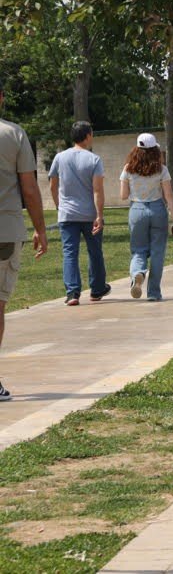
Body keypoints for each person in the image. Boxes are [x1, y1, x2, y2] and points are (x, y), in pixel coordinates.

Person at [1, 79, 49, 399]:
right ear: (2, 98)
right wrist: (41, 228)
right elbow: (29, 188)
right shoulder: (14, 134)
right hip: (4, 230)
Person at [49, 121, 108, 305]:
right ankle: (97, 290)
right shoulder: (94, 159)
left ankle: (72, 293)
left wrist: (59, 206)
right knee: (95, 252)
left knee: (69, 253)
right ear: (88, 136)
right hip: (89, 214)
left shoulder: (59, 157)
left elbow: (53, 185)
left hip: (67, 214)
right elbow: (97, 190)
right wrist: (99, 215)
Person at [120, 133, 173, 301]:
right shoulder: (162, 169)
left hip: (137, 210)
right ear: (155, 150)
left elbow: (123, 195)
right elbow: (169, 195)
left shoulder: (128, 168)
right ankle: (153, 293)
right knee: (158, 252)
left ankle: (137, 274)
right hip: (158, 210)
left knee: (138, 250)